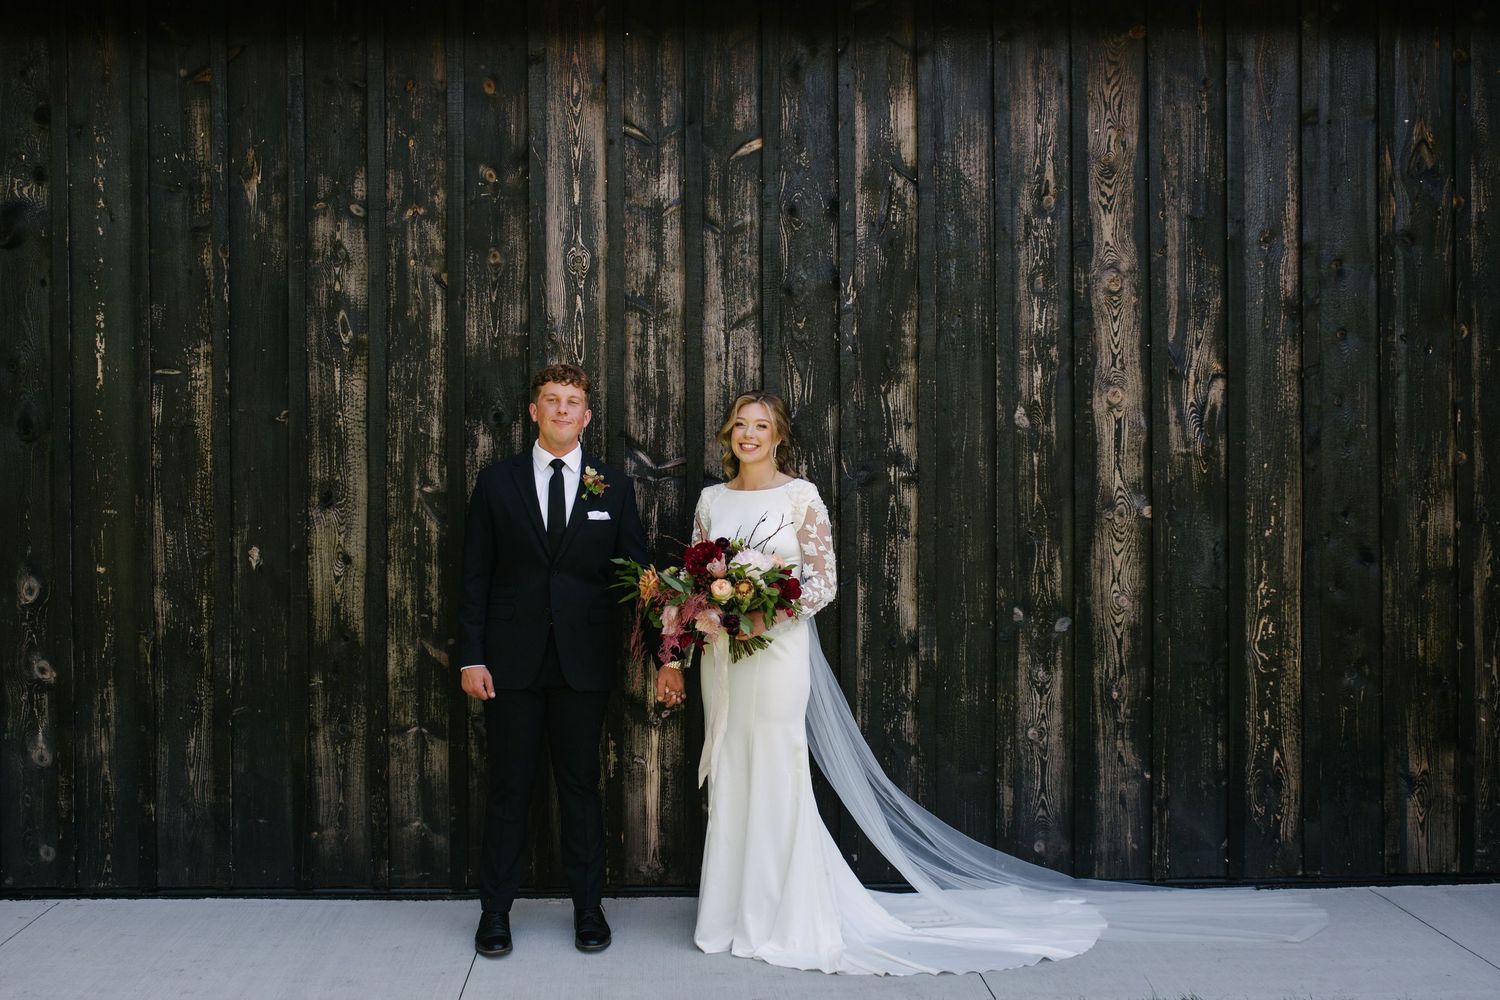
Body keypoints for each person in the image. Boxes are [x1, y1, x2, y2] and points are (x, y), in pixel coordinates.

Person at [675, 390, 1328, 975]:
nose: (749, 435)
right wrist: (701, 625)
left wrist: (759, 613)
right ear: (729, 434)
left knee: (778, 768)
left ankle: (781, 915)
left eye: (761, 426)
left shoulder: (800, 496)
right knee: (729, 766)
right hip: (723, 658)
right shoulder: (712, 500)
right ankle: (729, 915)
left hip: (777, 653)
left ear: (779, 436)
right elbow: (693, 581)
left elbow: (822, 583)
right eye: (740, 425)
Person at [458, 362, 682, 958]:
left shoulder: (614, 487)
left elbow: (637, 579)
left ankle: (588, 909)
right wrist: (471, 657)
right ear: (534, 412)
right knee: (509, 786)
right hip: (509, 663)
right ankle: (495, 913)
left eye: (572, 401)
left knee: (581, 786)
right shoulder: (496, 482)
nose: (562, 409)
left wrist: (664, 652)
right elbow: (474, 576)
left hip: (584, 663)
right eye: (551, 400)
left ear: (586, 416)